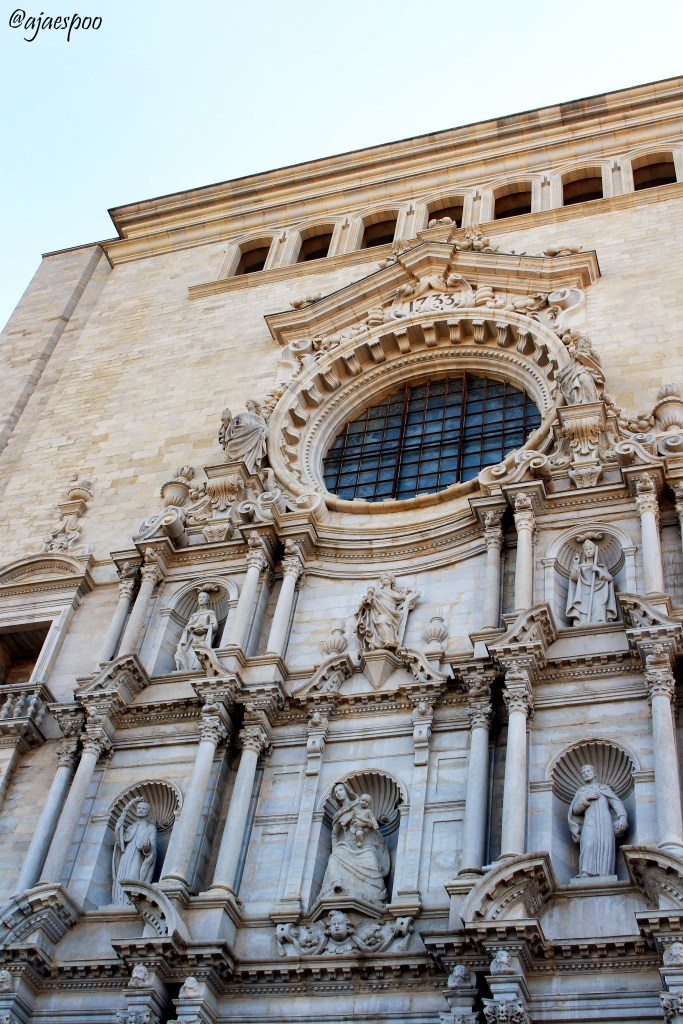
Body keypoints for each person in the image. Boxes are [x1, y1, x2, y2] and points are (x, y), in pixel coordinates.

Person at [319, 782, 390, 905]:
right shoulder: (337, 815)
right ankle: (337, 885)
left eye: (340, 790)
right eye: (336, 792)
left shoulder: (360, 805)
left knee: (371, 861)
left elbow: (372, 823)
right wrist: (335, 849)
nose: (338, 793)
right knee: (334, 858)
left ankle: (374, 896)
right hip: (346, 846)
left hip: (365, 843)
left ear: (347, 791)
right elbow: (334, 834)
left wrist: (366, 823)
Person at [568, 764, 628, 877]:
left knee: (605, 845)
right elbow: (575, 810)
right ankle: (585, 872)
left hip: (605, 821)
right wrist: (586, 798)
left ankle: (604, 873)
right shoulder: (581, 791)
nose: (585, 773)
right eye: (583, 773)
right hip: (589, 821)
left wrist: (622, 817)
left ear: (594, 773)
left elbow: (616, 803)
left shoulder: (603, 788)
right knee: (588, 844)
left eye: (588, 771)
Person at [354, 574, 420, 651]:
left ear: (391, 580)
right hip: (379, 614)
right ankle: (383, 643)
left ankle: (389, 642)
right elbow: (367, 601)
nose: (383, 580)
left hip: (393, 616)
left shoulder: (397, 594)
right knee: (382, 619)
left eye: (385, 578)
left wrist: (411, 605)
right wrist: (367, 598)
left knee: (386, 620)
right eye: (382, 579)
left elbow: (405, 602)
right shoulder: (378, 592)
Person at [112, 799, 157, 904]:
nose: (140, 810)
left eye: (143, 809)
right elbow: (121, 844)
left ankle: (130, 902)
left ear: (148, 812)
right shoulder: (131, 827)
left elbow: (153, 846)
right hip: (126, 856)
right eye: (139, 808)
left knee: (133, 877)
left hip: (138, 857)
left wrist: (147, 848)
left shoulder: (150, 827)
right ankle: (119, 902)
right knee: (122, 877)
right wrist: (118, 830)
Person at [566, 539, 617, 625]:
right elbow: (573, 578)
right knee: (583, 616)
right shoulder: (580, 567)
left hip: (599, 594)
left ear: (594, 550)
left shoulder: (601, 567)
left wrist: (598, 570)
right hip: (583, 595)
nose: (588, 551)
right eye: (586, 549)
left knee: (600, 619)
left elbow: (610, 579)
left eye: (590, 549)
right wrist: (575, 564)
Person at [219, 400, 268, 473]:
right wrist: (226, 420)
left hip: (253, 438)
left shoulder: (260, 418)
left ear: (254, 404)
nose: (247, 404)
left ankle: (247, 467)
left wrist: (262, 433)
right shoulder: (241, 415)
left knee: (247, 454)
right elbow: (230, 426)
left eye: (249, 402)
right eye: (246, 403)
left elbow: (265, 429)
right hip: (239, 436)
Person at [174, 590, 218, 671]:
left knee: (198, 657)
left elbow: (215, 626)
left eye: (203, 597)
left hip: (203, 639)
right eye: (199, 597)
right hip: (192, 640)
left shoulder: (210, 612)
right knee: (186, 654)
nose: (201, 599)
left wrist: (205, 627)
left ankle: (196, 668)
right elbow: (187, 628)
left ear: (207, 600)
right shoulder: (194, 615)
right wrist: (194, 626)